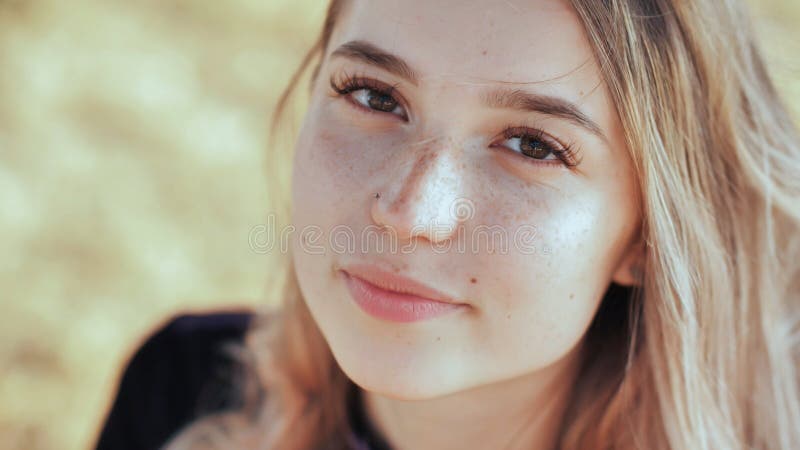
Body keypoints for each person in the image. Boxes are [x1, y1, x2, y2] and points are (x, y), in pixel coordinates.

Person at [95, 0, 800, 449]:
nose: (407, 215)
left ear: (648, 235)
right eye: (373, 95)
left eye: (532, 145)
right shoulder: (179, 395)